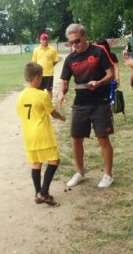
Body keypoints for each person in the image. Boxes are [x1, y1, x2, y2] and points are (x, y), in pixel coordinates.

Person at [57, 23, 115, 188]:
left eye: (77, 41)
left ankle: (108, 175)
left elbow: (110, 74)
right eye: (71, 43)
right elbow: (65, 82)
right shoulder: (70, 58)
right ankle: (80, 172)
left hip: (100, 102)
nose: (74, 45)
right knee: (76, 139)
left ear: (84, 37)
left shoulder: (98, 51)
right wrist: (62, 93)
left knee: (103, 138)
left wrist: (99, 82)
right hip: (80, 104)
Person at [16, 62, 66, 206]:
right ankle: (43, 193)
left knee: (36, 163)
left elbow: (20, 113)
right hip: (43, 134)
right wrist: (62, 117)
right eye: (41, 77)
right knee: (54, 160)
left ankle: (38, 194)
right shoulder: (41, 95)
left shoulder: (21, 96)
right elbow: (53, 113)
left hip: (29, 136)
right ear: (37, 78)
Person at [32, 33, 59, 100]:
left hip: (49, 74)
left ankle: (49, 105)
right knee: (40, 90)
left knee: (49, 90)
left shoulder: (52, 49)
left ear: (48, 40)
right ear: (40, 40)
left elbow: (55, 60)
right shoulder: (36, 50)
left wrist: (49, 66)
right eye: (43, 39)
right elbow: (34, 62)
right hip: (39, 74)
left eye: (46, 39)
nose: (44, 41)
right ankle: (41, 103)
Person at [94, 38, 120, 103]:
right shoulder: (95, 56)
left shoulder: (112, 55)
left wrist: (117, 79)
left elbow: (116, 68)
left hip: (109, 80)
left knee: (109, 99)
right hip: (99, 81)